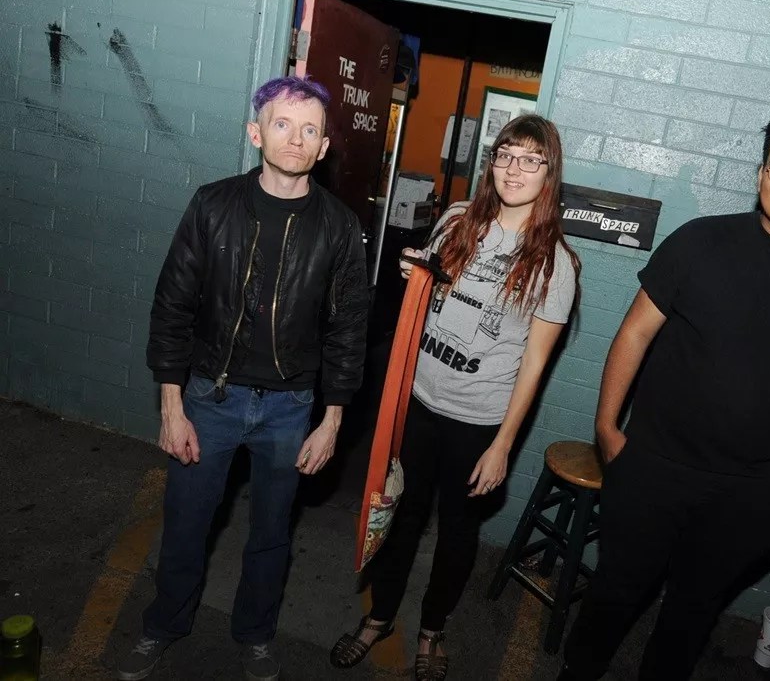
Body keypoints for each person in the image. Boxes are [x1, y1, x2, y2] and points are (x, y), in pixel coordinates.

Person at [560, 107, 770, 680]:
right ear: (761, 173)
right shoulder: (699, 242)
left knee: (690, 617)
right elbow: (634, 333)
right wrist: (608, 429)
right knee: (612, 596)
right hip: (652, 468)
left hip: (751, 494)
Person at [116, 76, 368, 681]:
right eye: (282, 124)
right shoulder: (213, 205)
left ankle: (255, 635)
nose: (295, 139)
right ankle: (163, 625)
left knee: (272, 532)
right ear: (256, 133)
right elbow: (172, 307)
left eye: (309, 130)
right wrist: (172, 407)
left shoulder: (339, 227)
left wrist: (332, 421)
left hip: (290, 407)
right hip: (211, 397)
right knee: (186, 524)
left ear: (323, 147)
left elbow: (349, 331)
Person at [330, 115, 580, 680]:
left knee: (457, 533)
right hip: (418, 402)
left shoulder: (554, 263)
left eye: (531, 159)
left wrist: (503, 447)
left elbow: (535, 365)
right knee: (400, 516)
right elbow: (427, 293)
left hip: (478, 421)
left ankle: (432, 630)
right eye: (505, 155)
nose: (514, 169)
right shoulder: (457, 220)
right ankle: (379, 617)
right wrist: (413, 273)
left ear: (550, 173)